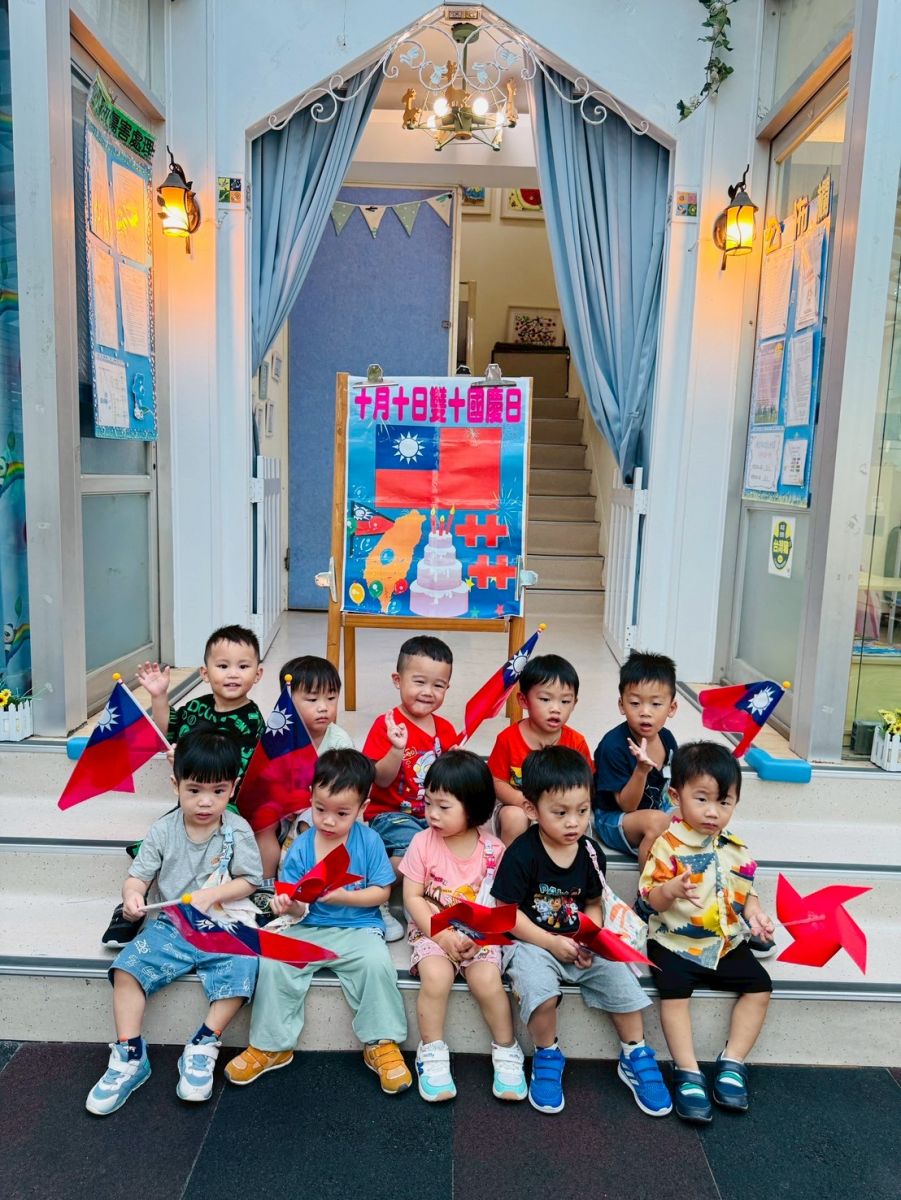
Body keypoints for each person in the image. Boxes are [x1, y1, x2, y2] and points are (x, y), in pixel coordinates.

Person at [85, 731, 263, 1116]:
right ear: (175, 784)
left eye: (218, 791)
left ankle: (203, 1043)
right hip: (172, 926)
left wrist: (214, 895)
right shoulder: (163, 831)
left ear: (233, 788)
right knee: (127, 970)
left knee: (245, 965)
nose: (205, 801)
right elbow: (138, 877)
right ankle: (130, 1054)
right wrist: (132, 896)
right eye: (194, 790)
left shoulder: (237, 829)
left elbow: (250, 880)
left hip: (224, 923)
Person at [491, 745, 671, 1118]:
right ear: (532, 810)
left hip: (578, 942)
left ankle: (635, 1052)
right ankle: (547, 1053)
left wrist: (592, 937)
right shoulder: (522, 854)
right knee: (538, 989)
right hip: (532, 942)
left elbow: (592, 902)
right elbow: (506, 914)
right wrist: (550, 942)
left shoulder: (589, 852)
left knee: (621, 977)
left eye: (583, 811)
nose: (573, 822)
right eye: (560, 813)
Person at [225, 749, 412, 1096]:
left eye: (341, 813)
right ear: (310, 795)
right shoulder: (301, 846)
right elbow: (297, 906)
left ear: (362, 807)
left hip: (359, 928)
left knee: (376, 964)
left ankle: (381, 1042)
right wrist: (288, 905)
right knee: (275, 963)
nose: (328, 821)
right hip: (310, 927)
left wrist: (343, 897)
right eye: (320, 809)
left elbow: (382, 892)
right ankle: (271, 1045)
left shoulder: (369, 841)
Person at [101, 624, 265, 948]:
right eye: (223, 665)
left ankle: (222, 901)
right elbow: (168, 730)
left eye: (243, 666)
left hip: (226, 800)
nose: (233, 674)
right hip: (189, 800)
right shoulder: (196, 708)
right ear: (205, 673)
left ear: (257, 674)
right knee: (158, 843)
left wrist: (195, 763)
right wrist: (159, 696)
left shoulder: (251, 719)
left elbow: (238, 767)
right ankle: (132, 907)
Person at [636, 742, 774, 1123]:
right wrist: (671, 890)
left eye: (724, 802)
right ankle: (687, 1070)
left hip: (723, 943)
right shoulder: (667, 846)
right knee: (674, 994)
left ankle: (733, 1061)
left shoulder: (736, 848)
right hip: (674, 942)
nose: (713, 811)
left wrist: (756, 916)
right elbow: (649, 898)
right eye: (702, 799)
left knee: (760, 987)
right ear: (676, 796)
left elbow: (746, 893)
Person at [399, 749, 526, 1104]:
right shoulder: (422, 843)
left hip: (479, 935)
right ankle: (432, 1050)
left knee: (487, 981)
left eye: (444, 806)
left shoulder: (493, 850)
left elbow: (501, 906)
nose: (432, 814)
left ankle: (506, 1048)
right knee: (436, 976)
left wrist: (480, 938)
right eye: (429, 803)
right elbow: (412, 897)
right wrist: (441, 935)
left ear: (473, 807)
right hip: (432, 929)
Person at [362, 635, 458, 940]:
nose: (428, 692)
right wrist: (396, 749)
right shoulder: (387, 724)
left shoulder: (445, 730)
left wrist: (458, 764)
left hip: (431, 815)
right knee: (413, 848)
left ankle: (430, 901)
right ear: (398, 680)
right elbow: (379, 779)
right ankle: (374, 897)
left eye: (438, 685)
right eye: (419, 682)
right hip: (391, 814)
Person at [254, 655, 355, 880]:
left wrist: (306, 804)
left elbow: (345, 787)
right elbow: (267, 778)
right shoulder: (279, 735)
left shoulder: (339, 741)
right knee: (261, 819)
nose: (324, 707)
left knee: (310, 819)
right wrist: (284, 802)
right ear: (288, 700)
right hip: (282, 809)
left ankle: (301, 877)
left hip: (321, 810)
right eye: (312, 699)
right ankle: (266, 882)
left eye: (331, 698)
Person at [488, 653, 593, 846]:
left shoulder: (576, 742)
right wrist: (521, 800)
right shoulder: (508, 739)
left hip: (563, 809)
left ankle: (571, 862)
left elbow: (587, 784)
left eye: (565, 701)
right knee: (514, 817)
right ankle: (511, 862)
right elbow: (496, 781)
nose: (556, 709)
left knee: (578, 820)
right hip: (519, 805)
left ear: (574, 703)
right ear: (523, 700)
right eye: (545, 699)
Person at [593, 650, 679, 868]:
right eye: (635, 703)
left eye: (656, 704)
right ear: (622, 705)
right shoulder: (614, 746)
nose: (645, 712)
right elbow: (627, 805)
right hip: (614, 818)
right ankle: (650, 886)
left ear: (671, 708)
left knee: (700, 814)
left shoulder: (667, 739)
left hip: (657, 809)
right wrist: (641, 770)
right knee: (657, 822)